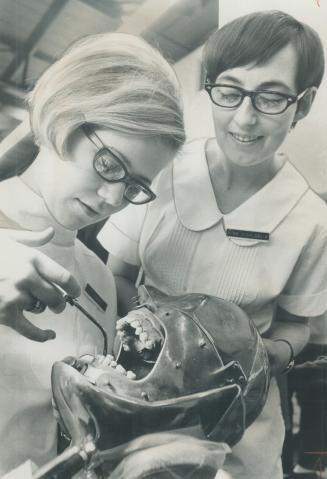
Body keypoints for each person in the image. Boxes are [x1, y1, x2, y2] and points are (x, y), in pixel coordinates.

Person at [97, 10, 327, 479]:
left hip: (242, 413)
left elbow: (296, 326)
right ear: (210, 89)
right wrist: (159, 336)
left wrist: (256, 354)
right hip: (140, 388)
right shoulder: (164, 170)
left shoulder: (312, 218)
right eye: (229, 91)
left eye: (271, 98)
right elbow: (115, 276)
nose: (244, 118)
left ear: (303, 104)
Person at [0, 32, 185, 476]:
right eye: (109, 163)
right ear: (63, 116)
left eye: (135, 185)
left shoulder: (100, 281)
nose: (112, 197)